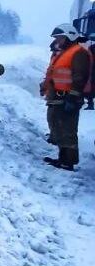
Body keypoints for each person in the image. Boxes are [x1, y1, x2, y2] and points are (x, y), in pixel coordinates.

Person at [40, 23, 91, 171]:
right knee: (58, 128)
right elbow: (54, 73)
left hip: (69, 98)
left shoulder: (78, 53)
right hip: (59, 97)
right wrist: (45, 86)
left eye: (60, 38)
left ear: (70, 37)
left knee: (67, 130)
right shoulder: (64, 52)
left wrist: (73, 97)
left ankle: (68, 161)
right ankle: (62, 158)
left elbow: (79, 77)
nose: (57, 41)